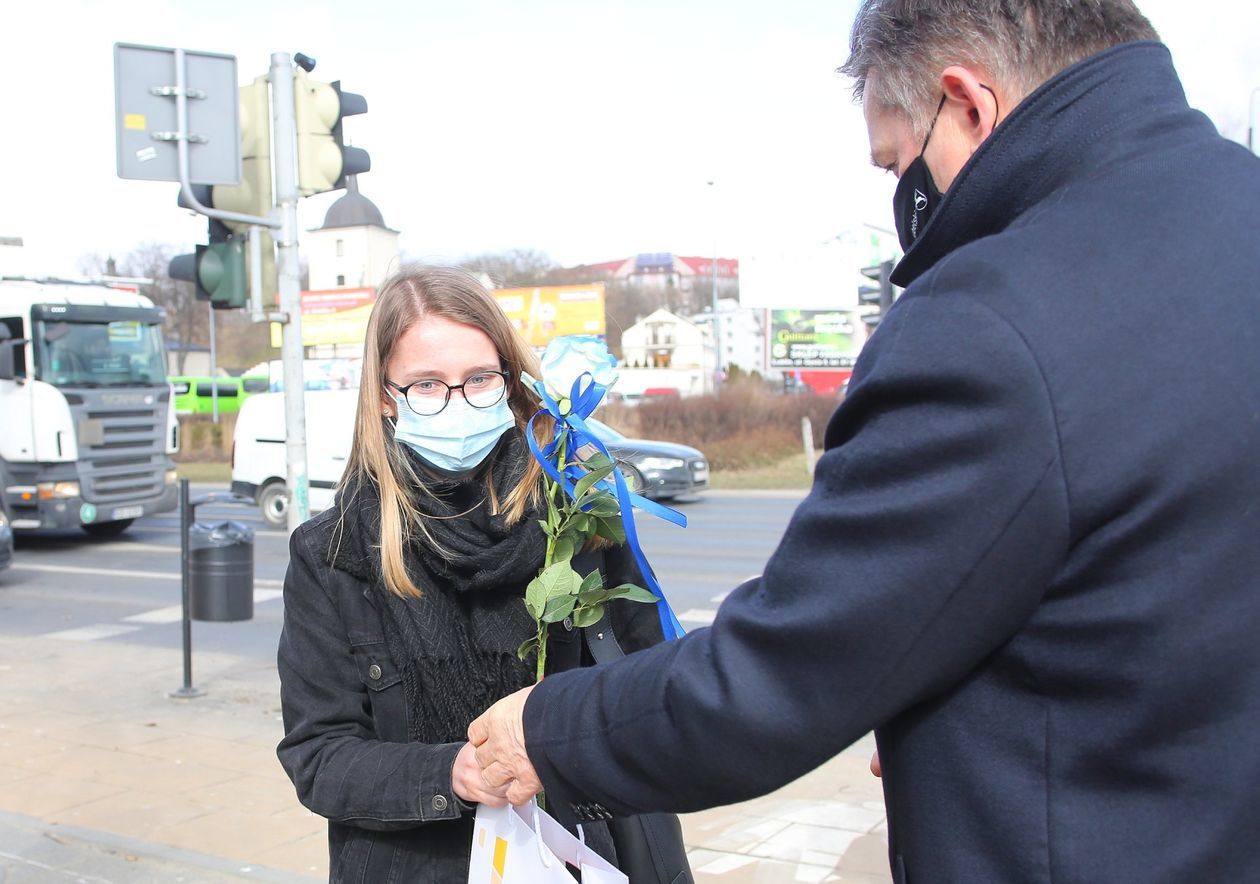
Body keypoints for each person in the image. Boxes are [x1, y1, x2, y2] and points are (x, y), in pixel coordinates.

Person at [469, 1, 1260, 880]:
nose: (902, 200)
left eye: (897, 163)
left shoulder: (987, 323)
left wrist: (544, 729)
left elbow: (779, 678)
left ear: (968, 105)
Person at [275, 267, 665, 882]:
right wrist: (452, 772)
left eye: (480, 379)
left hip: (576, 860)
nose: (459, 404)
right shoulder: (334, 554)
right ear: (384, 394)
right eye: (427, 385)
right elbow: (318, 757)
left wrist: (563, 737)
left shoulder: (579, 518)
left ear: (512, 379)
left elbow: (650, 687)